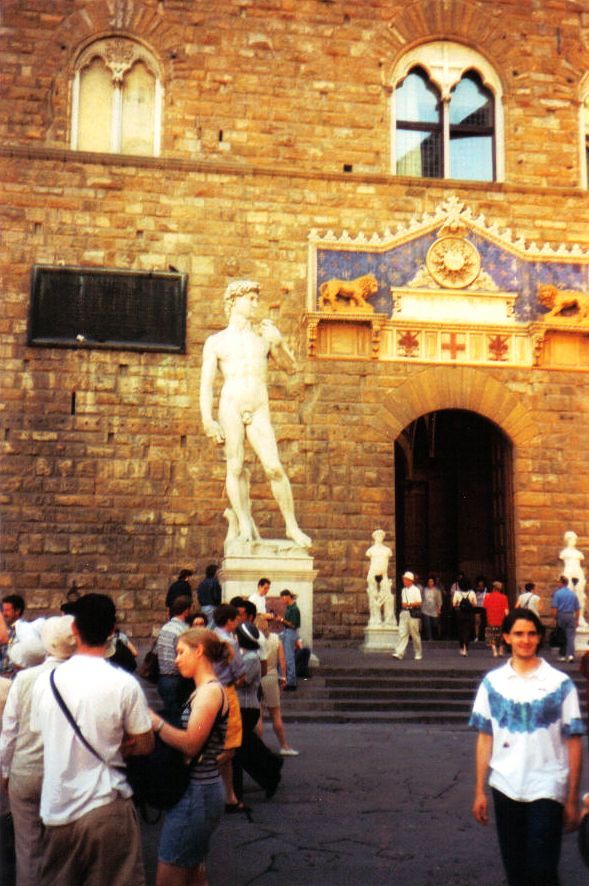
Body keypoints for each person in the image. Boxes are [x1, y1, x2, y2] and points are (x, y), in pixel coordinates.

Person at [30, 593, 153, 886]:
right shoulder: (125, 684)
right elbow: (145, 744)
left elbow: (42, 731)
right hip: (106, 805)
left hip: (56, 808)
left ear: (74, 629)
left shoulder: (46, 683)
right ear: (113, 631)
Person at [470, 609, 585, 886]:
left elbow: (574, 742)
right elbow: (486, 738)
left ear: (539, 638)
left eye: (532, 633)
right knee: (516, 870)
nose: (526, 639)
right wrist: (479, 790)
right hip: (505, 785)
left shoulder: (560, 684)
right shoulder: (492, 684)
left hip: (547, 786)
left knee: (542, 870)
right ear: (507, 637)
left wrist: (571, 798)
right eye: (519, 633)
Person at [199, 279, 311, 548]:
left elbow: (291, 368)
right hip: (231, 404)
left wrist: (280, 343)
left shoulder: (263, 337)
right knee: (235, 465)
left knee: (274, 467)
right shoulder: (216, 342)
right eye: (250, 299)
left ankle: (292, 527)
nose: (255, 304)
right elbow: (206, 383)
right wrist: (208, 419)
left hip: (259, 407)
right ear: (234, 301)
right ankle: (244, 523)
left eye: (256, 299)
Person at [148, 628, 230, 886]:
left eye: (182, 652)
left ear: (200, 651)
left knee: (169, 877)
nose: (176, 659)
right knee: (194, 875)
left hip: (196, 794)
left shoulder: (208, 693)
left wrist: (155, 723)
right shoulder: (204, 691)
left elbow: (192, 745)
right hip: (201, 792)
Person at [0, 617, 77, 886]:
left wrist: (4, 771)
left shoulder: (24, 679)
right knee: (62, 853)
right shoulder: (79, 679)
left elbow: (9, 732)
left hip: (25, 771)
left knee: (27, 851)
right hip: (65, 773)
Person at [232, 622, 283, 801]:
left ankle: (268, 773)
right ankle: (271, 768)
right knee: (246, 745)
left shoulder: (251, 658)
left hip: (246, 707)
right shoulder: (244, 656)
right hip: (242, 706)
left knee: (238, 749)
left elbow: (242, 682)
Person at [212, 603, 247, 815]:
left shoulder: (209, 637)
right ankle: (197, 775)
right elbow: (240, 674)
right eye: (236, 619)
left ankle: (230, 797)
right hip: (227, 693)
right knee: (229, 748)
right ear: (229, 621)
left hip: (209, 691)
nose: (238, 623)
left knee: (223, 748)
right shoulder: (229, 643)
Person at [255, 615, 299, 756]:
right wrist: (284, 676)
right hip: (272, 675)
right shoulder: (275, 638)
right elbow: (282, 660)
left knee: (259, 715)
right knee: (276, 714)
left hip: (257, 676)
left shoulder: (254, 639)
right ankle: (284, 746)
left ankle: (258, 747)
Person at [156, 595, 193, 725]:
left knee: (170, 716)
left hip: (163, 677)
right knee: (178, 719)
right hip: (177, 679)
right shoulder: (183, 630)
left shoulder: (164, 628)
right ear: (186, 610)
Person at [392, 571, 422, 661]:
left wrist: (409, 604)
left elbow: (419, 602)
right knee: (402, 633)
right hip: (404, 613)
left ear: (410, 580)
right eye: (403, 579)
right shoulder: (403, 590)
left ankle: (418, 652)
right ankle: (399, 652)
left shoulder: (416, 590)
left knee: (414, 634)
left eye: (405, 579)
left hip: (412, 613)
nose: (404, 581)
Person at [551, 574, 580, 663]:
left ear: (561, 583)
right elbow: (577, 608)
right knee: (570, 636)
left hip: (561, 615)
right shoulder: (573, 594)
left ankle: (563, 655)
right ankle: (570, 655)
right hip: (570, 615)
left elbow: (554, 608)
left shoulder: (557, 594)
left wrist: (554, 618)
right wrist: (577, 620)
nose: (557, 584)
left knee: (561, 635)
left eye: (558, 582)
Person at [276, 589, 300, 690]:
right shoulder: (290, 608)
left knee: (289, 658)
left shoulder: (294, 609)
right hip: (287, 632)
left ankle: (291, 682)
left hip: (290, 632)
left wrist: (282, 620)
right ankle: (284, 679)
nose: (282, 600)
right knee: (284, 656)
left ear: (287, 596)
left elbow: (294, 625)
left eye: (282, 598)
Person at [483, 581, 509, 658]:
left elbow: (484, 606)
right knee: (501, 635)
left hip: (491, 618)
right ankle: (501, 650)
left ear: (493, 588)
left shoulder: (487, 596)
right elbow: (506, 610)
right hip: (501, 619)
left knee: (491, 635)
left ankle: (495, 651)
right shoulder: (504, 597)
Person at [453, 578, 477, 656]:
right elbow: (475, 604)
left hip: (460, 613)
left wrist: (459, 604)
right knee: (467, 631)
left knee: (461, 631)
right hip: (469, 613)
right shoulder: (472, 592)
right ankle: (466, 647)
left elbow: (454, 604)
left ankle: (461, 647)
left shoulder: (457, 593)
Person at [421, 576, 442, 641]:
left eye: (431, 581)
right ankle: (429, 637)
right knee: (427, 624)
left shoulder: (437, 590)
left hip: (434, 609)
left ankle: (435, 636)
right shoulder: (424, 590)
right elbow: (422, 599)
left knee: (434, 624)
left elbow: (439, 600)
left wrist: (439, 608)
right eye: (429, 581)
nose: (430, 583)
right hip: (425, 609)